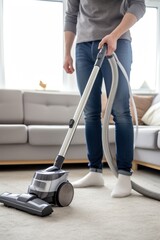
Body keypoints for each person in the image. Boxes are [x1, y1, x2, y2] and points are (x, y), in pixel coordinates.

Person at [63, 0, 146, 197]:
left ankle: (124, 174)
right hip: (83, 47)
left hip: (117, 42)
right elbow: (71, 14)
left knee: (120, 110)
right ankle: (95, 171)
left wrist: (115, 35)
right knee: (90, 112)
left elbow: (139, 5)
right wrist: (67, 52)